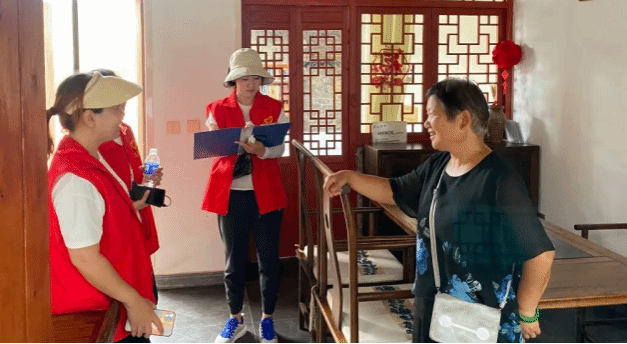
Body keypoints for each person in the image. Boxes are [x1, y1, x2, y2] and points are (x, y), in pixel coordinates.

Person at [324, 78, 556, 343]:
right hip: (434, 310)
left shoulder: (499, 180)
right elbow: (394, 190)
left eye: (432, 114)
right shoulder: (439, 165)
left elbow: (540, 254)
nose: (426, 123)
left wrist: (527, 311)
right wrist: (351, 177)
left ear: (463, 120)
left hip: (480, 322)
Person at [47, 71, 162, 343]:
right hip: (102, 309)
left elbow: (100, 215)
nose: (123, 115)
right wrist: (132, 300)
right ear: (90, 118)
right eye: (116, 109)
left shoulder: (90, 157)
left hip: (116, 300)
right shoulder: (76, 179)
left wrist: (129, 206)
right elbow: (85, 258)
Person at [202, 48, 289, 344]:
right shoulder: (216, 109)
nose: (251, 84)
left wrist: (261, 150)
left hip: (267, 194)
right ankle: (235, 318)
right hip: (231, 195)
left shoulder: (274, 107)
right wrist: (236, 144)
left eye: (255, 78)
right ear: (233, 80)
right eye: (244, 78)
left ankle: (267, 318)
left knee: (269, 260)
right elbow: (211, 149)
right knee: (234, 260)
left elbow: (280, 148)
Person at [95, 69, 162, 301]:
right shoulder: (92, 144)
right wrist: (130, 207)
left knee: (148, 292)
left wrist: (148, 177)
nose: (122, 112)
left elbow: (132, 171)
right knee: (128, 295)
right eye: (116, 107)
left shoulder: (125, 131)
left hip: (138, 217)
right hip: (117, 230)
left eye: (123, 106)